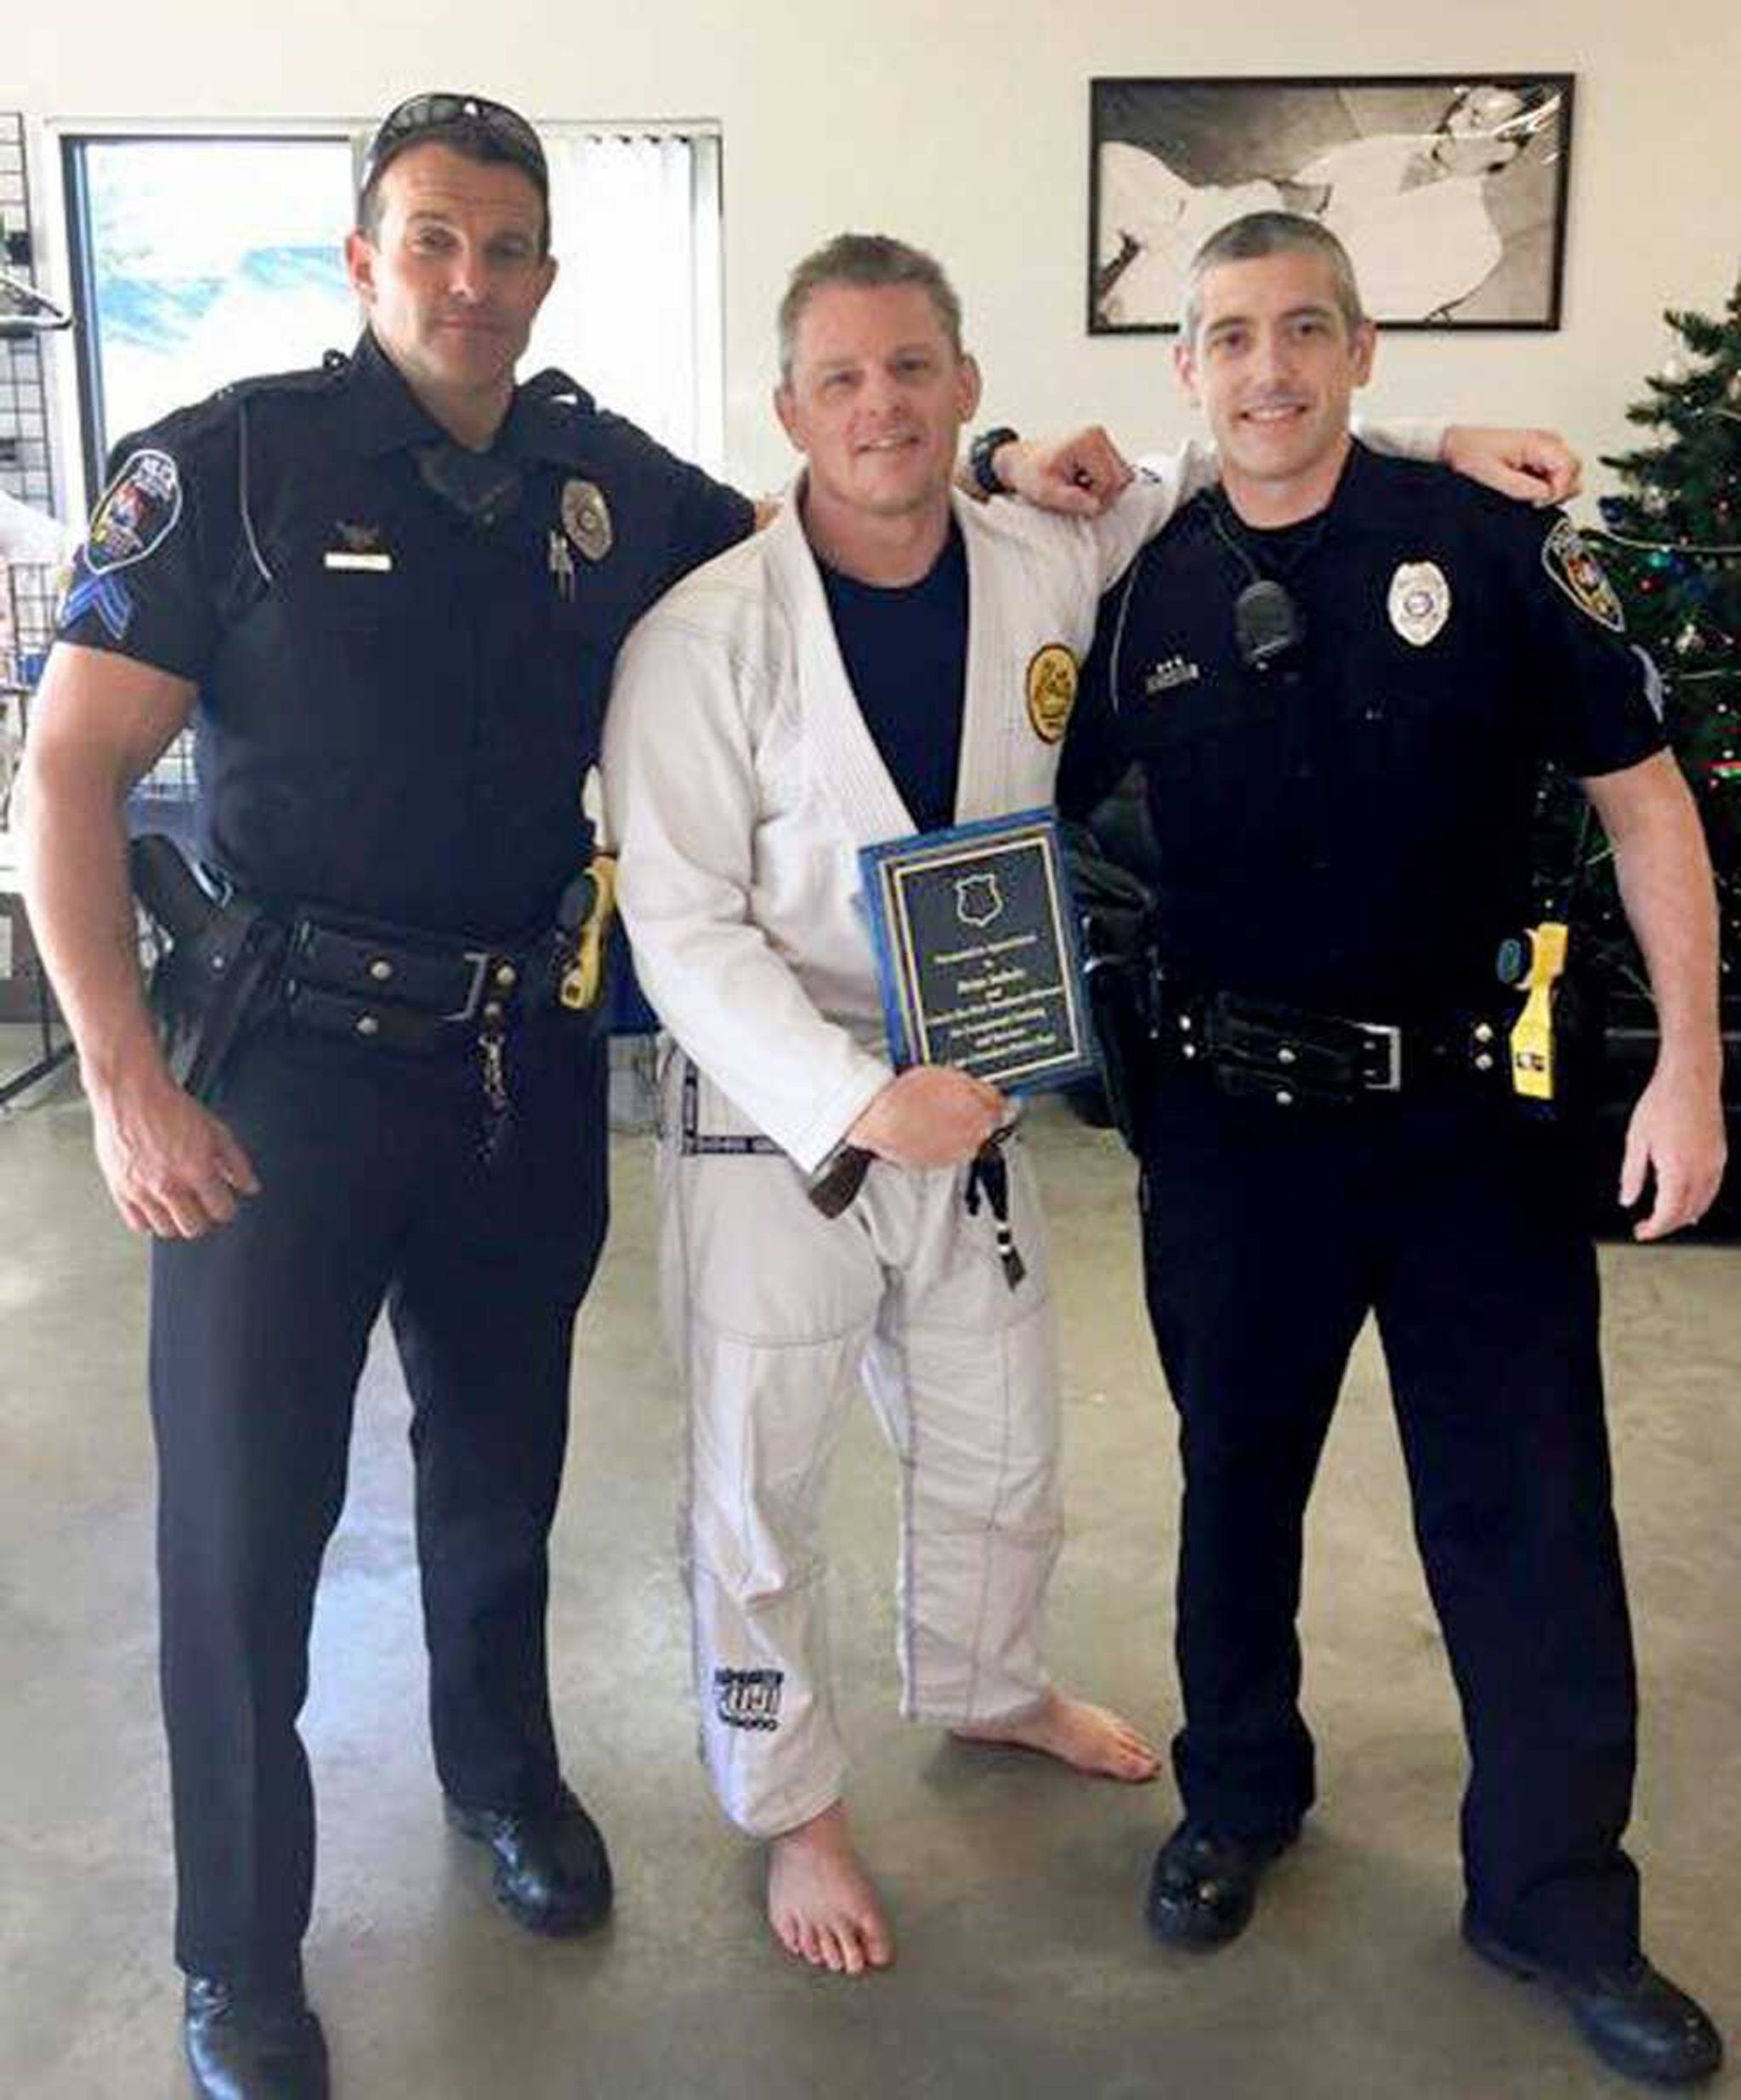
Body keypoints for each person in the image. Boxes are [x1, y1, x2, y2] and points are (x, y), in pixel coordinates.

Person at [600, 229, 1570, 1982]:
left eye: (913, 368)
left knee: (999, 1436)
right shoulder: (701, 635)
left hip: (973, 1075)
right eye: (841, 376)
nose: (880, 404)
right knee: (763, 1465)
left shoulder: (1050, 542)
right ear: (788, 407)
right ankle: (789, 1796)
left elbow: (1250, 448)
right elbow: (673, 920)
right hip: (784, 1101)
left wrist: (1441, 445)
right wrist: (845, 1092)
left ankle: (984, 1684)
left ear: (969, 384)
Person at [18, 92, 754, 2100]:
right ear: (366, 255)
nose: (471, 277)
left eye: (506, 243)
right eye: (432, 237)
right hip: (279, 1078)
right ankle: (237, 1947)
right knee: (247, 1528)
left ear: (542, 269)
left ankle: (503, 1777)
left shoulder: (600, 478)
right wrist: (124, 1085)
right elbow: (66, 772)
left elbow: (813, 549)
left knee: (502, 1463)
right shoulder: (231, 463)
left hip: (520, 1062)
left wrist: (1026, 465)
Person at [1058, 211, 1727, 2087]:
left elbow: (1647, 801)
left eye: (1302, 332)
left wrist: (1689, 1069)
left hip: (1468, 1127)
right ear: (1183, 373)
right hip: (1229, 1131)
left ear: (1361, 354)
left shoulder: (1493, 549)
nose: (1265, 368)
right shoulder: (1141, 591)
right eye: (1226, 339)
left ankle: (1554, 1890)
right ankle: (1238, 1795)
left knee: (1523, 1514)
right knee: (1231, 1489)